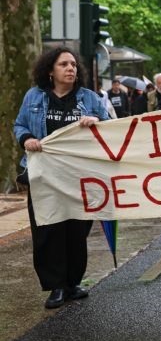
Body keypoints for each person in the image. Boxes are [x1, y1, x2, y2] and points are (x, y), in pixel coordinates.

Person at [12, 47, 110, 309]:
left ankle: (72, 283)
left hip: (79, 175)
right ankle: (55, 285)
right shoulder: (34, 97)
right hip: (44, 175)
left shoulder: (90, 99)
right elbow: (19, 125)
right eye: (64, 64)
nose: (71, 69)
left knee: (77, 230)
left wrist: (97, 122)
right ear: (50, 71)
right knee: (47, 229)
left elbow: (111, 126)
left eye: (74, 65)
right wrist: (27, 139)